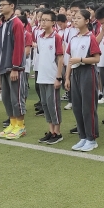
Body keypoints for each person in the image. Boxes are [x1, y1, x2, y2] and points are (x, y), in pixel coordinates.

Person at [65, 9, 102, 152]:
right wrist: (67, 77)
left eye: (78, 18)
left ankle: (91, 139)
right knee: (77, 107)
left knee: (88, 107)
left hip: (87, 72)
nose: (75, 20)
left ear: (87, 21)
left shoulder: (90, 37)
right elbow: (70, 59)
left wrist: (81, 59)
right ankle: (83, 136)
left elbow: (96, 58)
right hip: (75, 73)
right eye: (74, 18)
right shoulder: (74, 38)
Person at [0, 0, 28, 140]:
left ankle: (20, 126)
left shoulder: (16, 23)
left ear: (12, 6)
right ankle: (12, 123)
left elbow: (19, 47)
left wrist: (15, 67)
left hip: (14, 68)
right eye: (0, 5)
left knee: (16, 98)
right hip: (3, 66)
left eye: (3, 5)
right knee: (6, 98)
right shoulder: (2, 24)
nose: (1, 7)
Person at [35, 9, 65, 145]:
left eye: (46, 20)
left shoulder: (56, 37)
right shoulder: (40, 37)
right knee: (45, 104)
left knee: (53, 105)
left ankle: (57, 132)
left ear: (53, 22)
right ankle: (51, 130)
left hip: (52, 76)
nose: (43, 22)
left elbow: (60, 58)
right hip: (42, 76)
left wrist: (58, 77)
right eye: (42, 20)